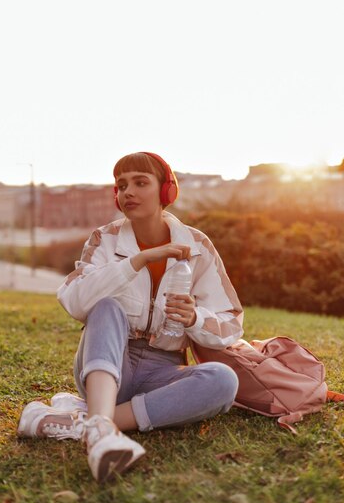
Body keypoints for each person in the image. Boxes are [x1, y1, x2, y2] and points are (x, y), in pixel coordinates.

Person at [18, 152, 244, 482]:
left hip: (161, 372)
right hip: (108, 365)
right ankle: (99, 424)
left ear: (166, 191)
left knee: (224, 380)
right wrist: (135, 262)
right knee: (107, 306)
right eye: (122, 185)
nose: (129, 193)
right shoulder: (104, 239)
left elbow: (232, 321)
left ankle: (93, 422)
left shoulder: (198, 246)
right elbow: (73, 299)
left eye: (141, 183)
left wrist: (195, 318)